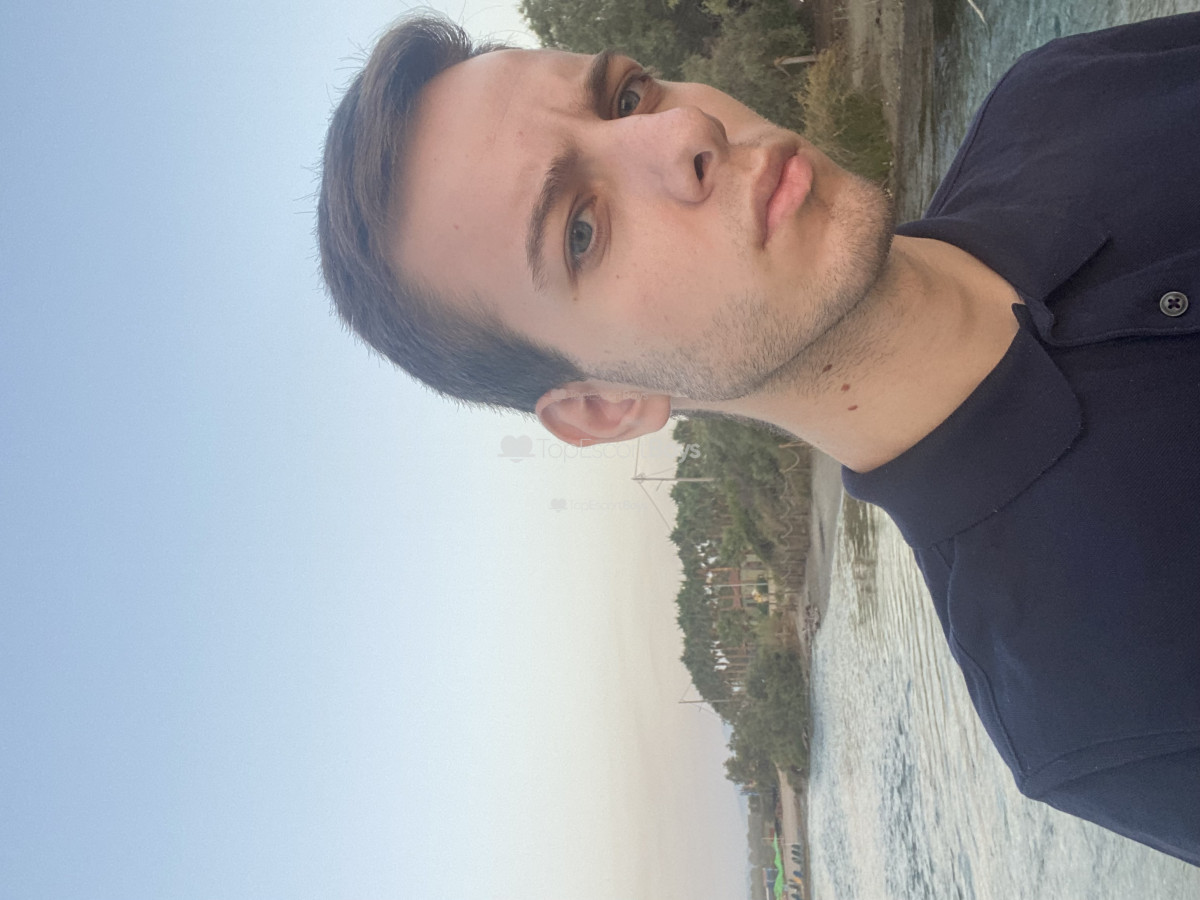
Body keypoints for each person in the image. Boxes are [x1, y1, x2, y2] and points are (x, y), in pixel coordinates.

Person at [317, 12, 1200, 864]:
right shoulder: (1097, 704)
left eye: (626, 97)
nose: (684, 132)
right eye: (581, 230)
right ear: (605, 406)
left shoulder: (1058, 96)